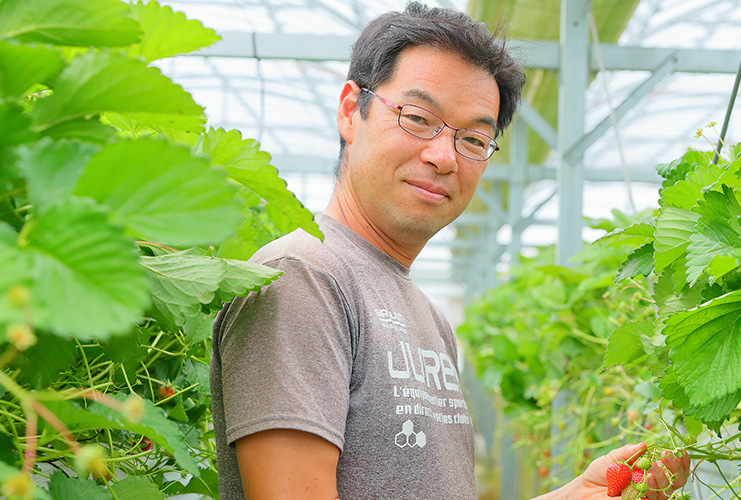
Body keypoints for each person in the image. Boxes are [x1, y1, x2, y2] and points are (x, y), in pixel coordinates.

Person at [209, 3, 690, 499]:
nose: (443, 156)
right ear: (351, 111)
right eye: (418, 118)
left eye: (475, 140)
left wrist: (584, 495)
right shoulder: (302, 277)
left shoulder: (429, 318)